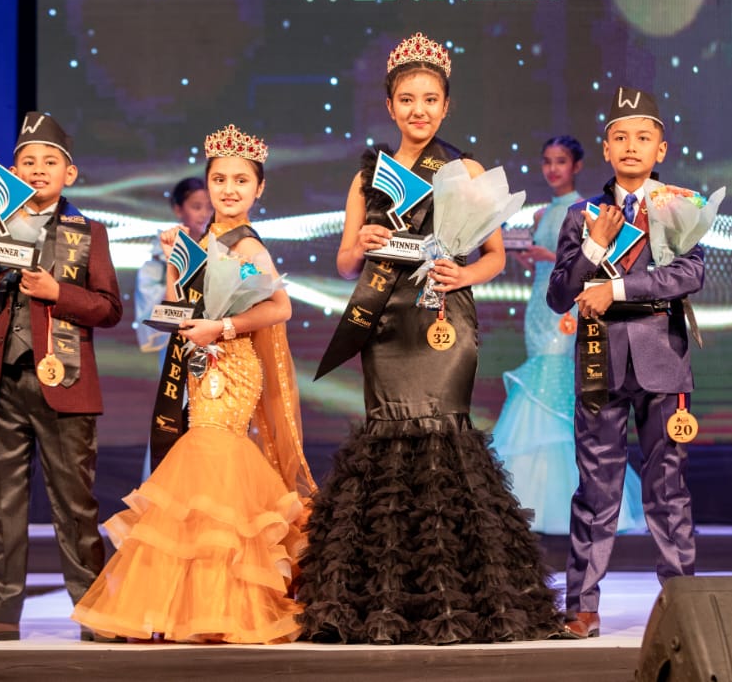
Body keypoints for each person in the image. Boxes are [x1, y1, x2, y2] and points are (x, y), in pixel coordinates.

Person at [299, 32, 559, 645]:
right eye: (407, 99)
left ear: (447, 106)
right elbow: (344, 262)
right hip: (385, 324)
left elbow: (494, 255)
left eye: (431, 99)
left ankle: (456, 599)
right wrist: (361, 245)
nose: (419, 110)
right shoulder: (368, 176)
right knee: (388, 439)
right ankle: (384, 600)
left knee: (444, 437)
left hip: (443, 320)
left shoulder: (466, 170)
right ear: (389, 106)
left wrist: (463, 274)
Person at [72, 124, 316, 643]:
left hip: (232, 366)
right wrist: (173, 261)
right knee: (204, 475)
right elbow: (176, 309)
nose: (229, 189)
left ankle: (223, 607)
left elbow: (280, 307)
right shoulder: (202, 240)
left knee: (212, 464)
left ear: (259, 188)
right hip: (200, 361)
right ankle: (200, 606)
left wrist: (221, 328)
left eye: (241, 180)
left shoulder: (248, 245)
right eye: (220, 179)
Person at [0, 112, 123, 643]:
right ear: (13, 172)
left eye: (50, 162)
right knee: (2, 505)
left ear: (70, 173)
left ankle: (93, 610)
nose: (38, 170)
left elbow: (110, 308)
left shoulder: (88, 232)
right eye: (27, 162)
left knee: (75, 505)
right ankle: (0, 612)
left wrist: (57, 293)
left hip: (64, 383)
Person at [547, 87, 704, 639]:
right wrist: (592, 247)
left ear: (661, 149)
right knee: (596, 489)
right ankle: (582, 605)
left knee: (668, 487)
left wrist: (614, 289)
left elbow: (689, 274)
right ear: (606, 150)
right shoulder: (581, 215)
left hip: (663, 361)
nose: (631, 146)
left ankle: (682, 601)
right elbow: (559, 295)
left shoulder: (680, 207)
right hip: (600, 360)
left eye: (643, 137)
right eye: (620, 137)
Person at [492, 135, 643, 535]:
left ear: (577, 166)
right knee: (544, 378)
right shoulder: (543, 214)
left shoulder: (587, 211)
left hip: (569, 312)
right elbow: (549, 269)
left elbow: (590, 262)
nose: (552, 169)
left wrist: (550, 258)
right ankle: (534, 497)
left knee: (557, 384)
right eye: (547, 161)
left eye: (560, 161)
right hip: (539, 308)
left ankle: (563, 502)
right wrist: (534, 259)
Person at [132, 176, 211, 355]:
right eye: (196, 207)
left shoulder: (222, 247)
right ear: (178, 209)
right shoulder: (162, 254)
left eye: (210, 207)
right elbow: (151, 307)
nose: (205, 214)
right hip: (176, 342)